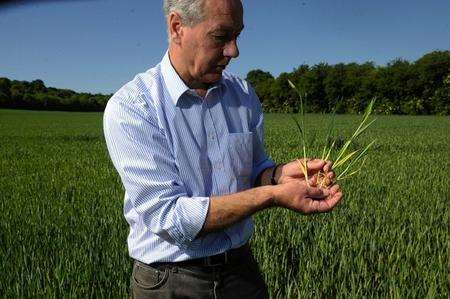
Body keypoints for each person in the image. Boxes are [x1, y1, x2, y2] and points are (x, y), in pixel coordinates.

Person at [103, 0, 342, 298]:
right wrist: (272, 195)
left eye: (237, 36)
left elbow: (254, 171)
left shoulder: (241, 93)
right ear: (177, 27)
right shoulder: (134, 107)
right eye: (221, 37)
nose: (234, 51)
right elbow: (168, 216)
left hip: (240, 270)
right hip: (170, 281)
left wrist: (281, 176)